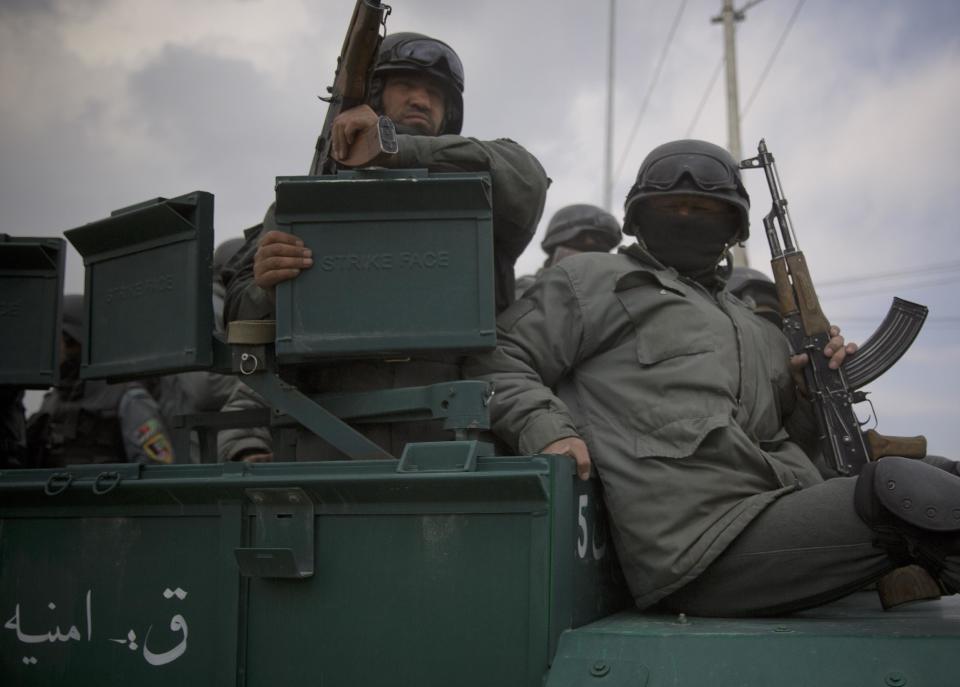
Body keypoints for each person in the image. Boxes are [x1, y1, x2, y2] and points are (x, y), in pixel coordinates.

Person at [464, 139, 960, 617]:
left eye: (705, 209)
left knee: (946, 474)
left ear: (734, 228)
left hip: (782, 509)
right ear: (638, 216)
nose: (685, 217)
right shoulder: (592, 281)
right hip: (698, 548)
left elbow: (789, 439)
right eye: (672, 205)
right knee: (903, 489)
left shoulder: (756, 326)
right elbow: (496, 359)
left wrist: (814, 397)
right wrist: (548, 429)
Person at [217, 32, 549, 463]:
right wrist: (266, 285)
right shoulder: (308, 203)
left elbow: (528, 177)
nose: (421, 100)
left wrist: (396, 147)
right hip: (329, 433)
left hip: (457, 433)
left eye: (435, 94)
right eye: (405, 86)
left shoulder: (481, 194)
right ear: (373, 96)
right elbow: (240, 325)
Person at [25, 295, 176, 467]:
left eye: (56, 338)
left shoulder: (127, 399)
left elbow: (156, 468)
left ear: (74, 340)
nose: (48, 348)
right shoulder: (52, 401)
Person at [515, 203, 622, 297]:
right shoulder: (530, 288)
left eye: (600, 243)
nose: (591, 244)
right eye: (580, 240)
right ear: (556, 245)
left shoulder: (610, 293)